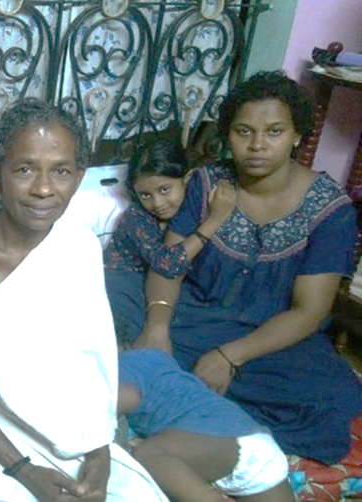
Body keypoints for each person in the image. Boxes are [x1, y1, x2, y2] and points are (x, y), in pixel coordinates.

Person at [0, 98, 167, 501]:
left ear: (78, 177)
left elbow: (93, 359)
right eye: (25, 169)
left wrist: (100, 450)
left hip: (74, 430)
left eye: (61, 171)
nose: (44, 189)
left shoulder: (79, 246)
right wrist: (23, 471)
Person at [136, 71, 362, 464]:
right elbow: (169, 264)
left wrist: (229, 356)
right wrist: (157, 329)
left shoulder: (331, 209)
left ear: (296, 135)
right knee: (118, 312)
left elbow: (309, 312)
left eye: (274, 131)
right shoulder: (207, 182)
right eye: (244, 132)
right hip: (193, 316)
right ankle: (191, 407)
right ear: (228, 135)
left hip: (272, 337)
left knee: (334, 396)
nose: (257, 145)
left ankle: (191, 414)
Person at [104, 134, 236, 344]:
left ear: (187, 178)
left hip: (155, 288)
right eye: (145, 195)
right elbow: (167, 264)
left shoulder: (190, 210)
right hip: (122, 283)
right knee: (129, 338)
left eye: (164, 190)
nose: (157, 203)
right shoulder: (137, 219)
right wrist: (215, 220)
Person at [117, 348, 294, 502]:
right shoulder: (156, 358)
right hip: (254, 444)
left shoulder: (118, 366)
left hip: (220, 438)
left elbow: (129, 397)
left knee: (146, 454)